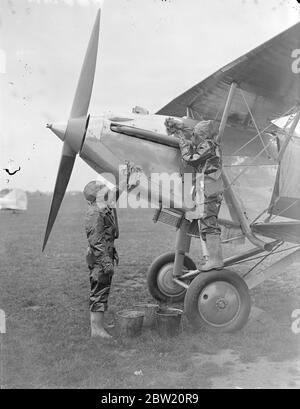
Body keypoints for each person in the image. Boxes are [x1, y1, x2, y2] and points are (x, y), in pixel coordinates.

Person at [83, 165, 141, 339]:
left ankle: (99, 324)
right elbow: (96, 241)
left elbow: (116, 194)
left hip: (104, 255)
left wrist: (126, 177)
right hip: (100, 257)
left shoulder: (103, 207)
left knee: (103, 288)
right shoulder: (95, 213)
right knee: (99, 290)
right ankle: (96, 330)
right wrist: (105, 261)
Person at [165, 117, 224, 271]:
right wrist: (181, 130)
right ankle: (213, 259)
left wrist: (182, 142)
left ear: (203, 136)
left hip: (208, 186)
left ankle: (215, 260)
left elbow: (191, 158)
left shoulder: (208, 145)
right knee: (206, 222)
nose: (194, 138)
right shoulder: (210, 144)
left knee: (208, 223)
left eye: (196, 135)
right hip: (209, 185)